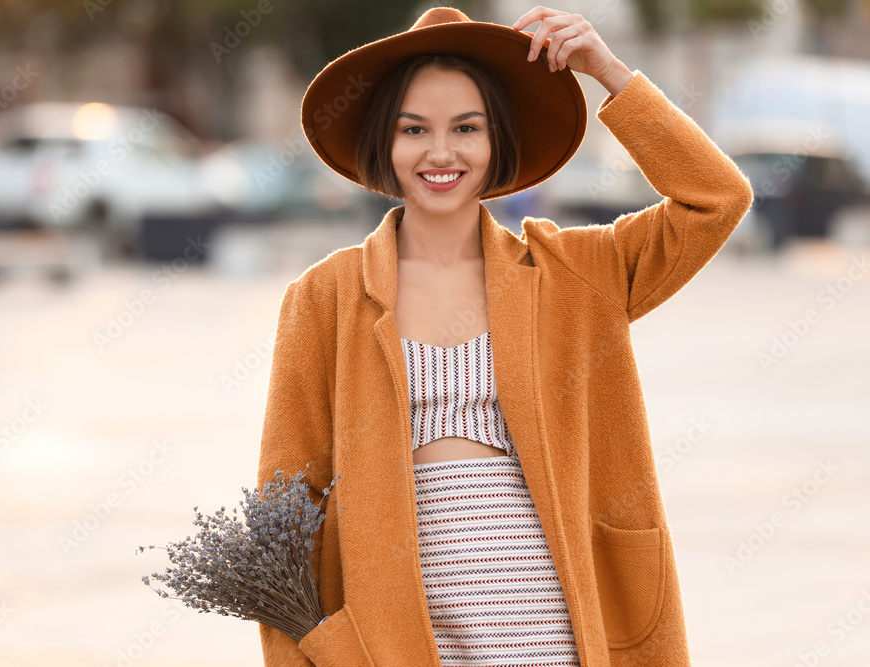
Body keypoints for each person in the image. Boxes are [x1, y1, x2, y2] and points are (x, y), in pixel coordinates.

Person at [256, 6, 752, 667]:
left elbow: (715, 199)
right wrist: (318, 652)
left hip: (559, 630)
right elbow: (281, 520)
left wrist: (607, 72)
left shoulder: (576, 273)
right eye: (414, 129)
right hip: (399, 641)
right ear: (386, 140)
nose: (441, 151)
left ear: (497, 142)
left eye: (467, 127)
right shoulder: (325, 298)